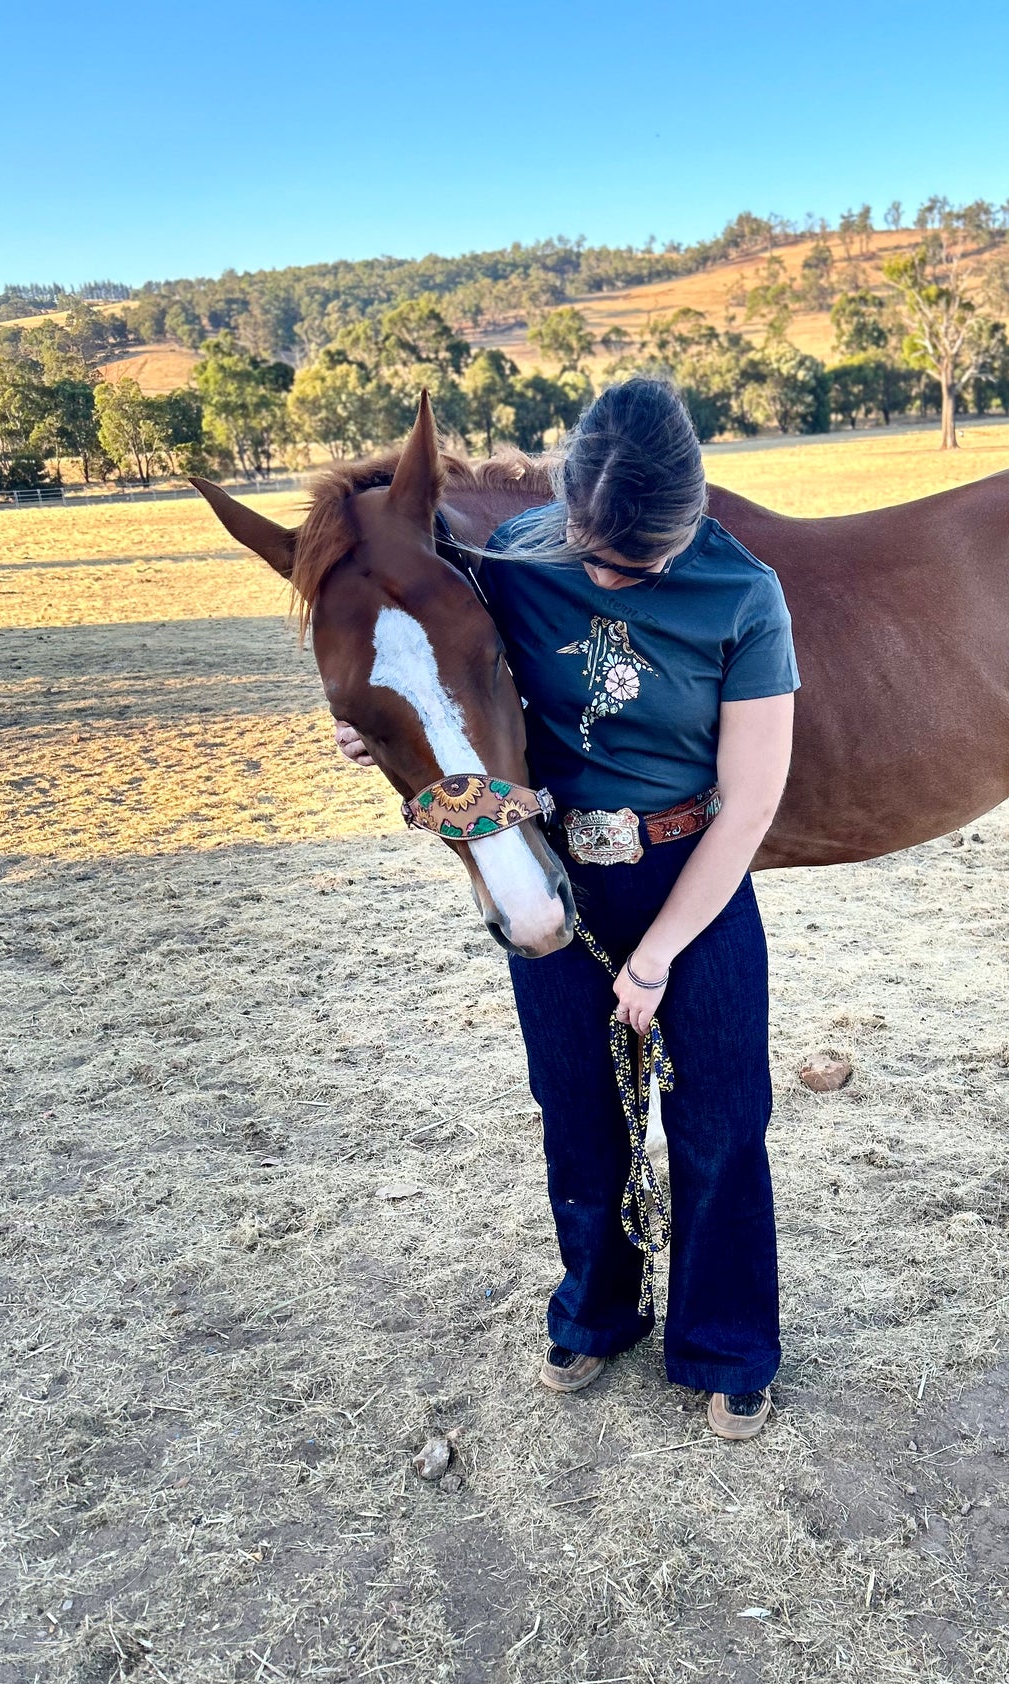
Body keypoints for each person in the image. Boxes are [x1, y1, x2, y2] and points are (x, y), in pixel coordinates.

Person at [338, 379, 797, 1440]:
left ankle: (725, 1341)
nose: (605, 575)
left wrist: (658, 957)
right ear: (567, 505)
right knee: (576, 1113)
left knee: (723, 1122)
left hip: (696, 876)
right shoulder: (509, 559)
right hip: (555, 877)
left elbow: (753, 800)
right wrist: (376, 723)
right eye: (592, 553)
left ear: (689, 520)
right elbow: (433, 662)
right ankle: (595, 1313)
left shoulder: (745, 594)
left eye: (636, 564)